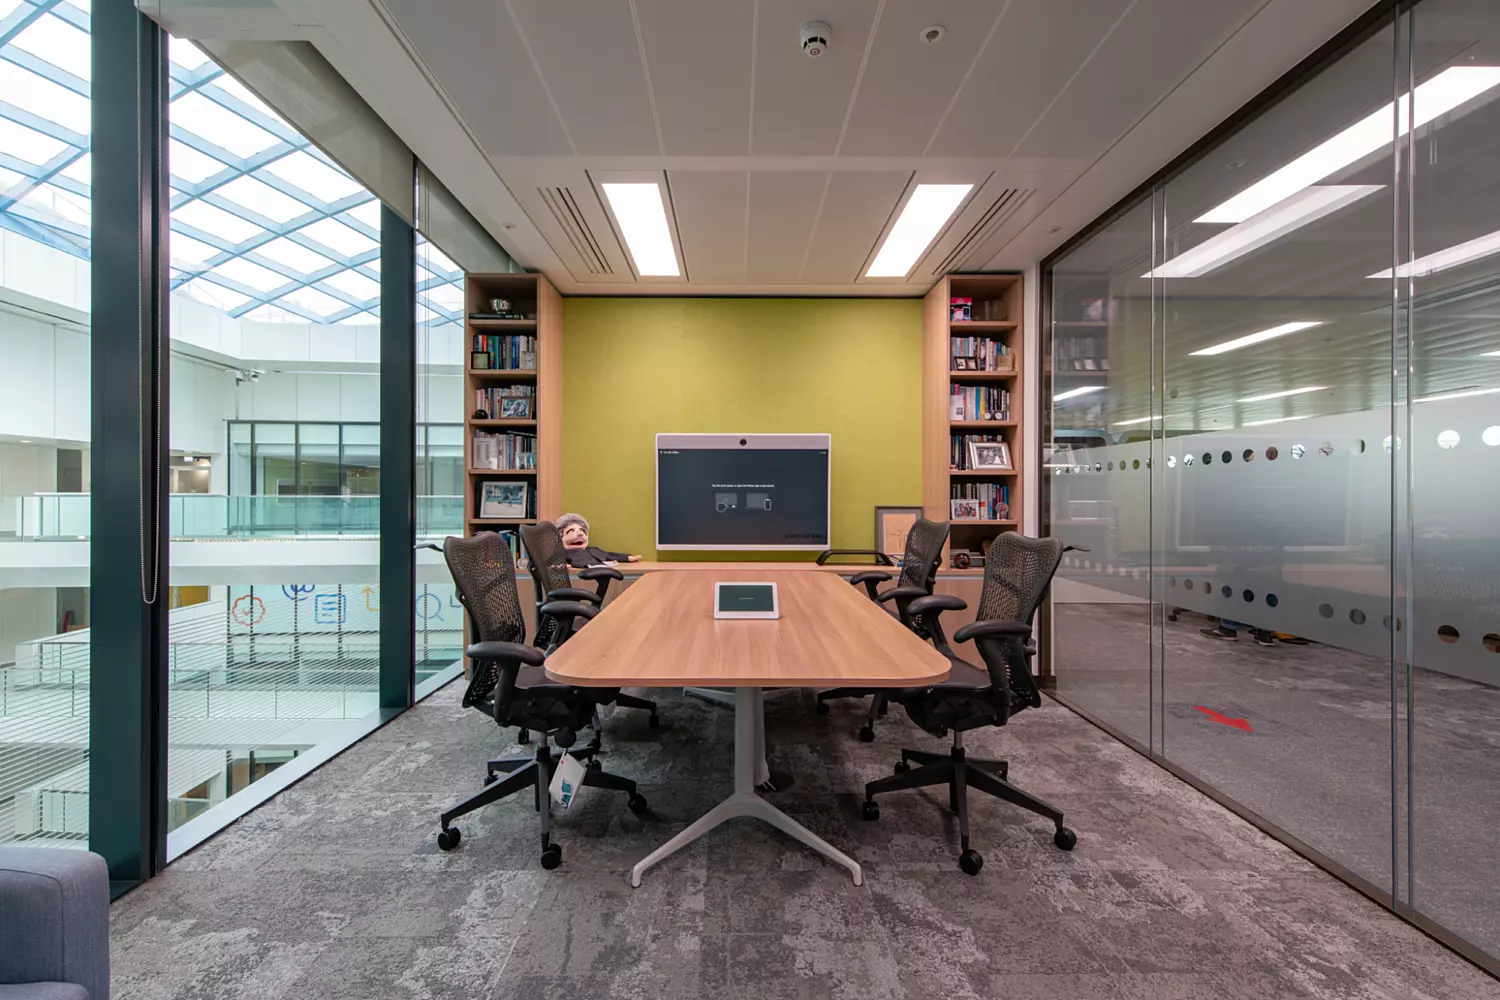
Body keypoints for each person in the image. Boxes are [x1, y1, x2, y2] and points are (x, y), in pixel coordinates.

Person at [555, 512, 643, 568]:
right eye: (571, 531)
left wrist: (628, 558)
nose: (580, 534)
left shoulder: (593, 550)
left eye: (582, 531)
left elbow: (609, 555)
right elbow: (552, 562)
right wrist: (559, 566)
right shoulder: (563, 553)